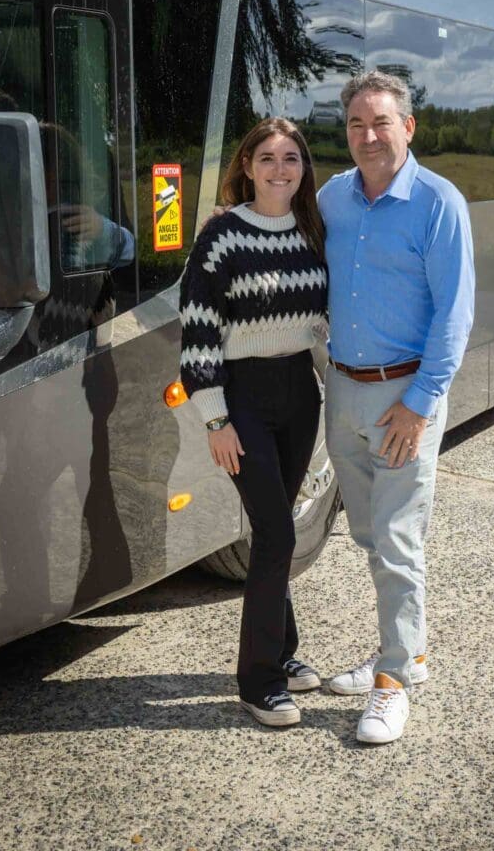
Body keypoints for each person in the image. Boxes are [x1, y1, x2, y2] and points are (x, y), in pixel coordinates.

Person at [320, 70, 475, 745]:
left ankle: (392, 685)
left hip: (401, 397)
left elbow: (454, 314)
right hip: (343, 390)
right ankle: (402, 650)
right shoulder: (331, 198)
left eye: (381, 122)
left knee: (397, 541)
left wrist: (419, 404)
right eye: (356, 123)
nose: (368, 135)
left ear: (407, 127)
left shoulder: (438, 202)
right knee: (368, 538)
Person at [179, 118, 328, 727]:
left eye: (290, 157)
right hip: (241, 396)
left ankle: (283, 651)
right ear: (246, 165)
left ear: (302, 169)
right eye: (266, 157)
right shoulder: (220, 237)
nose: (279, 168)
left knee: (278, 530)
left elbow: (322, 327)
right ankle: (259, 680)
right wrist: (215, 418)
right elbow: (198, 330)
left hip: (300, 391)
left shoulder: (315, 233)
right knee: (276, 533)